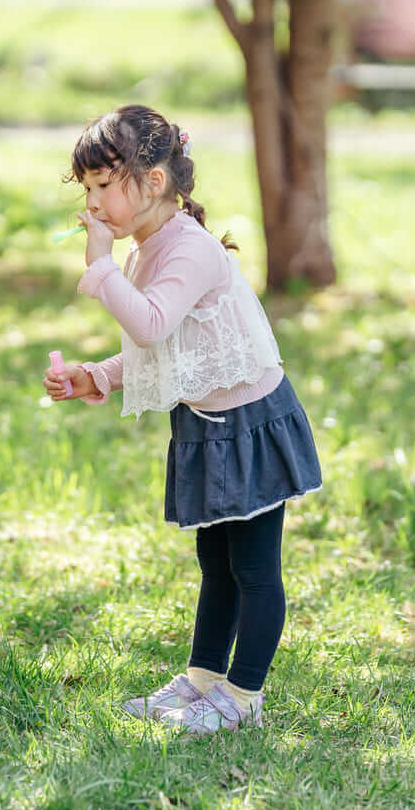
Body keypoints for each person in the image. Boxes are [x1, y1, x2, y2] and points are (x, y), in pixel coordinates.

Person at [44, 105, 322, 734]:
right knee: (215, 564)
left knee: (253, 569)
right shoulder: (148, 247)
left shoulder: (189, 250)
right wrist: (99, 374)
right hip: (205, 427)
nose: (92, 203)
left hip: (248, 426)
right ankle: (201, 681)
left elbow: (150, 322)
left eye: (103, 186)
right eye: (86, 189)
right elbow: (159, 345)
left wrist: (99, 266)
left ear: (153, 182)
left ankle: (244, 697)